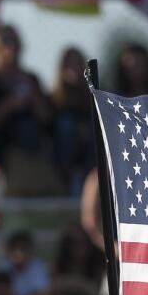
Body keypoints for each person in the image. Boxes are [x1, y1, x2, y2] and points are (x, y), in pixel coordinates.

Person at [0, 25, 56, 196]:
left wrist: (33, 98)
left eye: (15, 43)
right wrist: (10, 104)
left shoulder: (31, 79)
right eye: (5, 42)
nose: (11, 48)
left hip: (29, 145)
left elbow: (47, 118)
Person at [50, 46, 97, 195]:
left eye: (77, 64)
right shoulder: (54, 99)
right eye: (69, 64)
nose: (74, 69)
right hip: (64, 161)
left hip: (88, 159)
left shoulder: (92, 97)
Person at [2, 230, 50, 295]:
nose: (18, 252)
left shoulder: (38, 267)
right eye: (14, 248)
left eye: (22, 249)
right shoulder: (4, 268)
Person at [52, 223, 105, 288]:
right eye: (75, 243)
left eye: (83, 243)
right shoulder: (58, 268)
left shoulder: (98, 268)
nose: (80, 248)